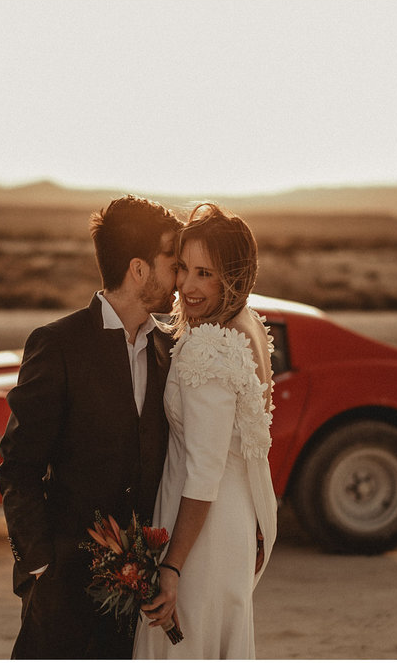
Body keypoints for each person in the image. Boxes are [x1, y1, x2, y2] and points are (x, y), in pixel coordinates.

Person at [0, 195, 183, 659]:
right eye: (172, 262)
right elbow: (19, 467)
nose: (179, 277)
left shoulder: (172, 350)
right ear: (139, 269)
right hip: (64, 588)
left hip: (145, 591)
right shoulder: (58, 345)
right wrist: (38, 566)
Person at [132, 203, 277, 659]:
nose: (188, 287)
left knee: (188, 644)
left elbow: (203, 472)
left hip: (199, 534)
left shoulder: (208, 349)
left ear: (233, 277)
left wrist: (172, 565)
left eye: (206, 274)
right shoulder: (246, 324)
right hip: (232, 518)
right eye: (183, 269)